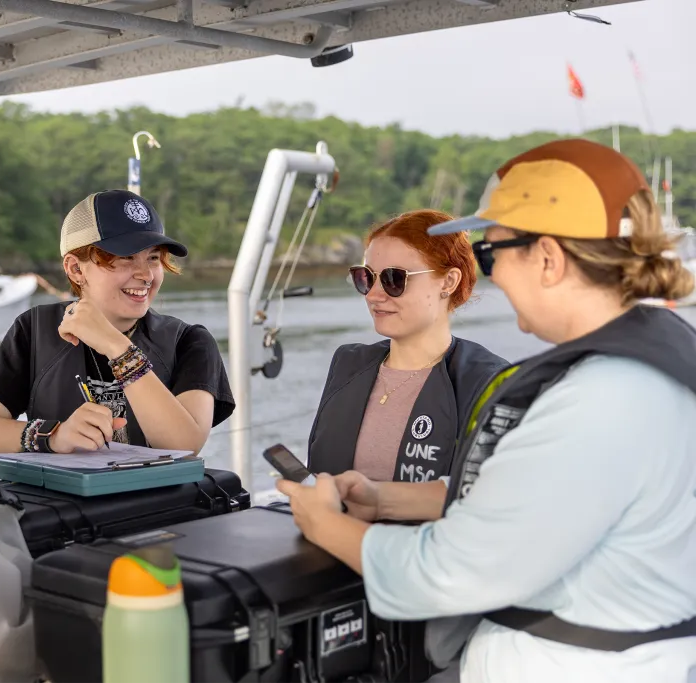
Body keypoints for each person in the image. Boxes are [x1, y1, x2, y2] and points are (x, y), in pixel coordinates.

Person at [276, 139, 696, 682]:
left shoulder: (603, 396)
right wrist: (383, 496)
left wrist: (326, 525)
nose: (492, 276)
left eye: (494, 254)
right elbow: (537, 497)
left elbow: (448, 573)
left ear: (547, 258)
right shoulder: (651, 360)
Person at [0, 189, 234, 456]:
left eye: (153, 258)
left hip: (162, 501)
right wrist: (53, 435)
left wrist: (117, 348)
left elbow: (185, 446)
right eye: (125, 258)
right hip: (60, 500)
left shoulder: (190, 341)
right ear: (75, 269)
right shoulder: (33, 331)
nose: (145, 274)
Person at [308, 209, 507, 502]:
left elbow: (487, 500)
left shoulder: (487, 382)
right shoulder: (348, 365)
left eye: (393, 279)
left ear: (448, 282)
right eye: (366, 277)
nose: (374, 294)